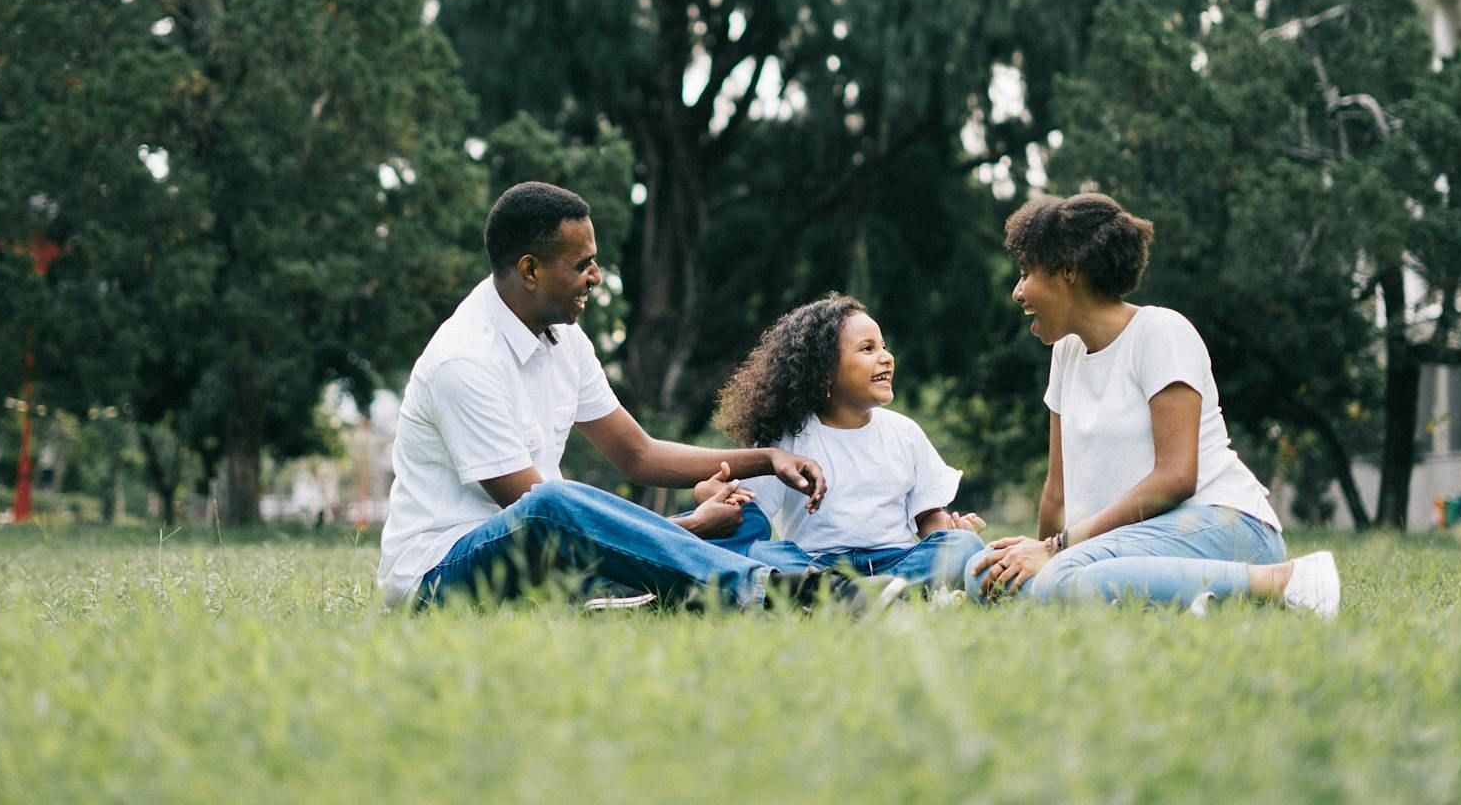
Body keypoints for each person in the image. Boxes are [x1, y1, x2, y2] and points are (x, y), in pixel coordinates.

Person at [377, 181, 859, 611]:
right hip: (441, 575)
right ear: (530, 270)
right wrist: (685, 530)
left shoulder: (564, 338)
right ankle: (765, 590)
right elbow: (539, 517)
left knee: (742, 522)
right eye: (582, 264)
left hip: (544, 557)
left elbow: (639, 455)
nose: (598, 276)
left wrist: (767, 458)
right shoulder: (463, 361)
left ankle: (841, 582)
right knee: (552, 501)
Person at [970, 193, 1340, 617]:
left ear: (1068, 270)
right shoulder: (1066, 354)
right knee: (983, 576)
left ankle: (1284, 580)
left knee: (1063, 577)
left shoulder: (1160, 332)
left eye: (1024, 273)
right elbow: (1058, 492)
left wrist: (1057, 551)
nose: (1018, 291)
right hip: (1129, 542)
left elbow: (1176, 477)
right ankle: (1190, 600)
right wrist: (1034, 557)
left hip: (1221, 524)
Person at [711, 295, 988, 593]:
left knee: (964, 545)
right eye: (868, 349)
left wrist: (947, 533)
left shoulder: (905, 432)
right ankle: (851, 592)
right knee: (761, 554)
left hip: (894, 559)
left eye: (884, 346)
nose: (885, 357)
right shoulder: (787, 438)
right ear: (823, 374)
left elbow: (928, 516)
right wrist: (716, 496)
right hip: (816, 567)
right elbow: (752, 515)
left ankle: (873, 592)